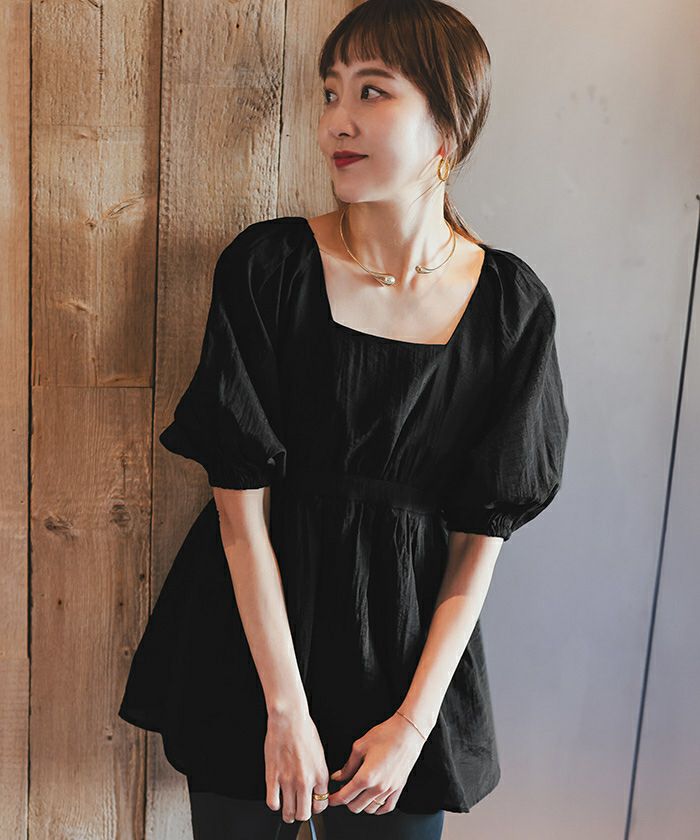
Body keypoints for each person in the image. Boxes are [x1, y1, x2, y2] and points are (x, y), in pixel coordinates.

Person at [118, 1, 570, 838]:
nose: (337, 120)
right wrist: (284, 709)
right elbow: (239, 512)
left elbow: (480, 542)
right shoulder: (269, 267)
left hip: (405, 661)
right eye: (330, 92)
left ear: (448, 126)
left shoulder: (510, 309)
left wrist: (414, 726)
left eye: (372, 91)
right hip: (251, 648)